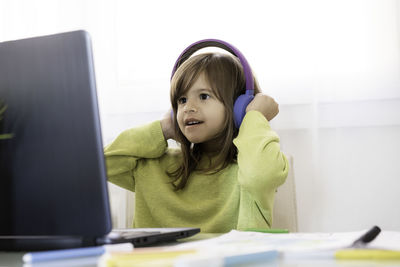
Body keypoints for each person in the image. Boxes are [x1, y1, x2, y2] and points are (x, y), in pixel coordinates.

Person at [104, 51, 289, 233]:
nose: (188, 108)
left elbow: (261, 175)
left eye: (203, 96)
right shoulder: (152, 166)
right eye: (182, 100)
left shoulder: (250, 167)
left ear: (238, 107)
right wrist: (163, 128)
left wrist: (254, 117)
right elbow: (99, 165)